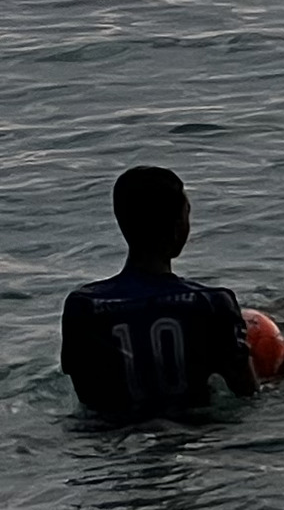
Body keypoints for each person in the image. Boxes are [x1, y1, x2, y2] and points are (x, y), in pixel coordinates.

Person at [61, 166, 261, 422]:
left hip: (112, 443)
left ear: (121, 221)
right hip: (195, 435)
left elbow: (87, 397)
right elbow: (248, 395)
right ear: (179, 227)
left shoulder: (83, 307)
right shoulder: (212, 303)